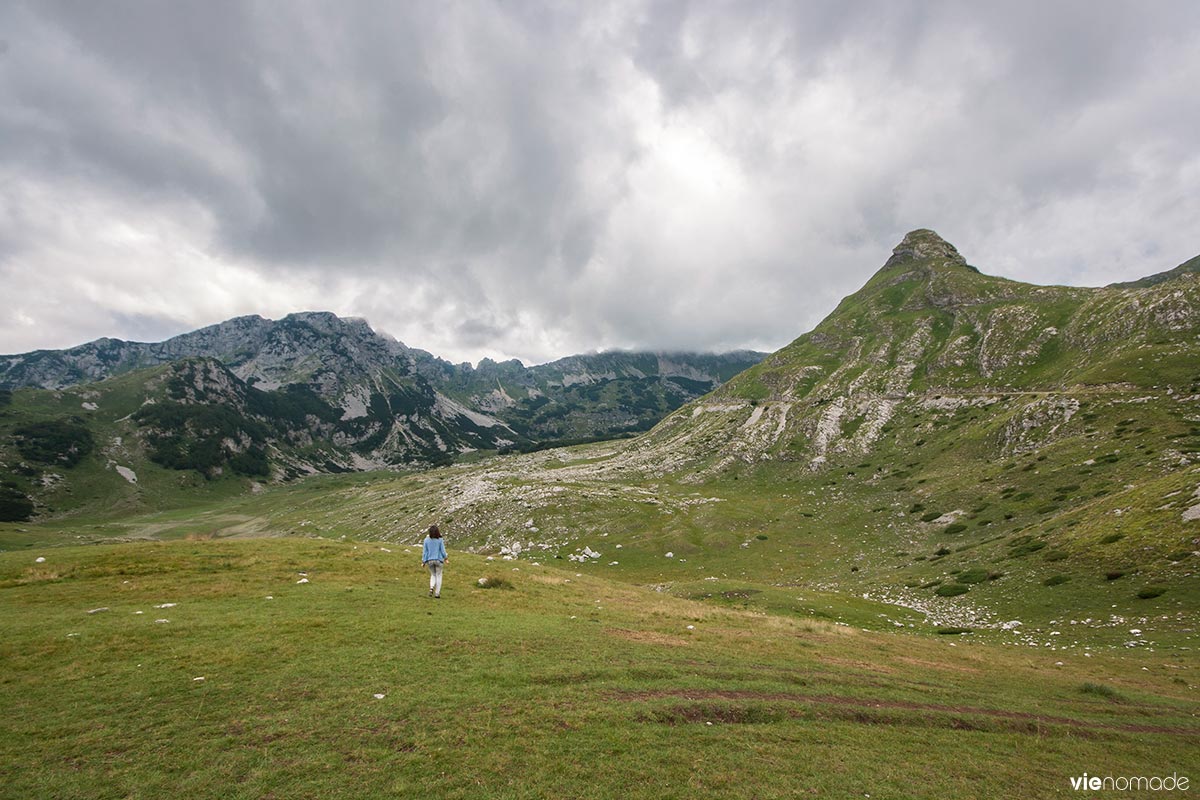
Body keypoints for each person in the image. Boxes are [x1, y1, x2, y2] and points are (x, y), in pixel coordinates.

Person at [421, 524, 448, 599]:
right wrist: (446, 558)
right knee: (439, 576)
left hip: (429, 560)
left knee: (433, 575)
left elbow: (425, 552)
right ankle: (437, 593)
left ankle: (431, 587)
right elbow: (442, 550)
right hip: (438, 560)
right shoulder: (440, 540)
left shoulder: (426, 540)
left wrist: (423, 561)